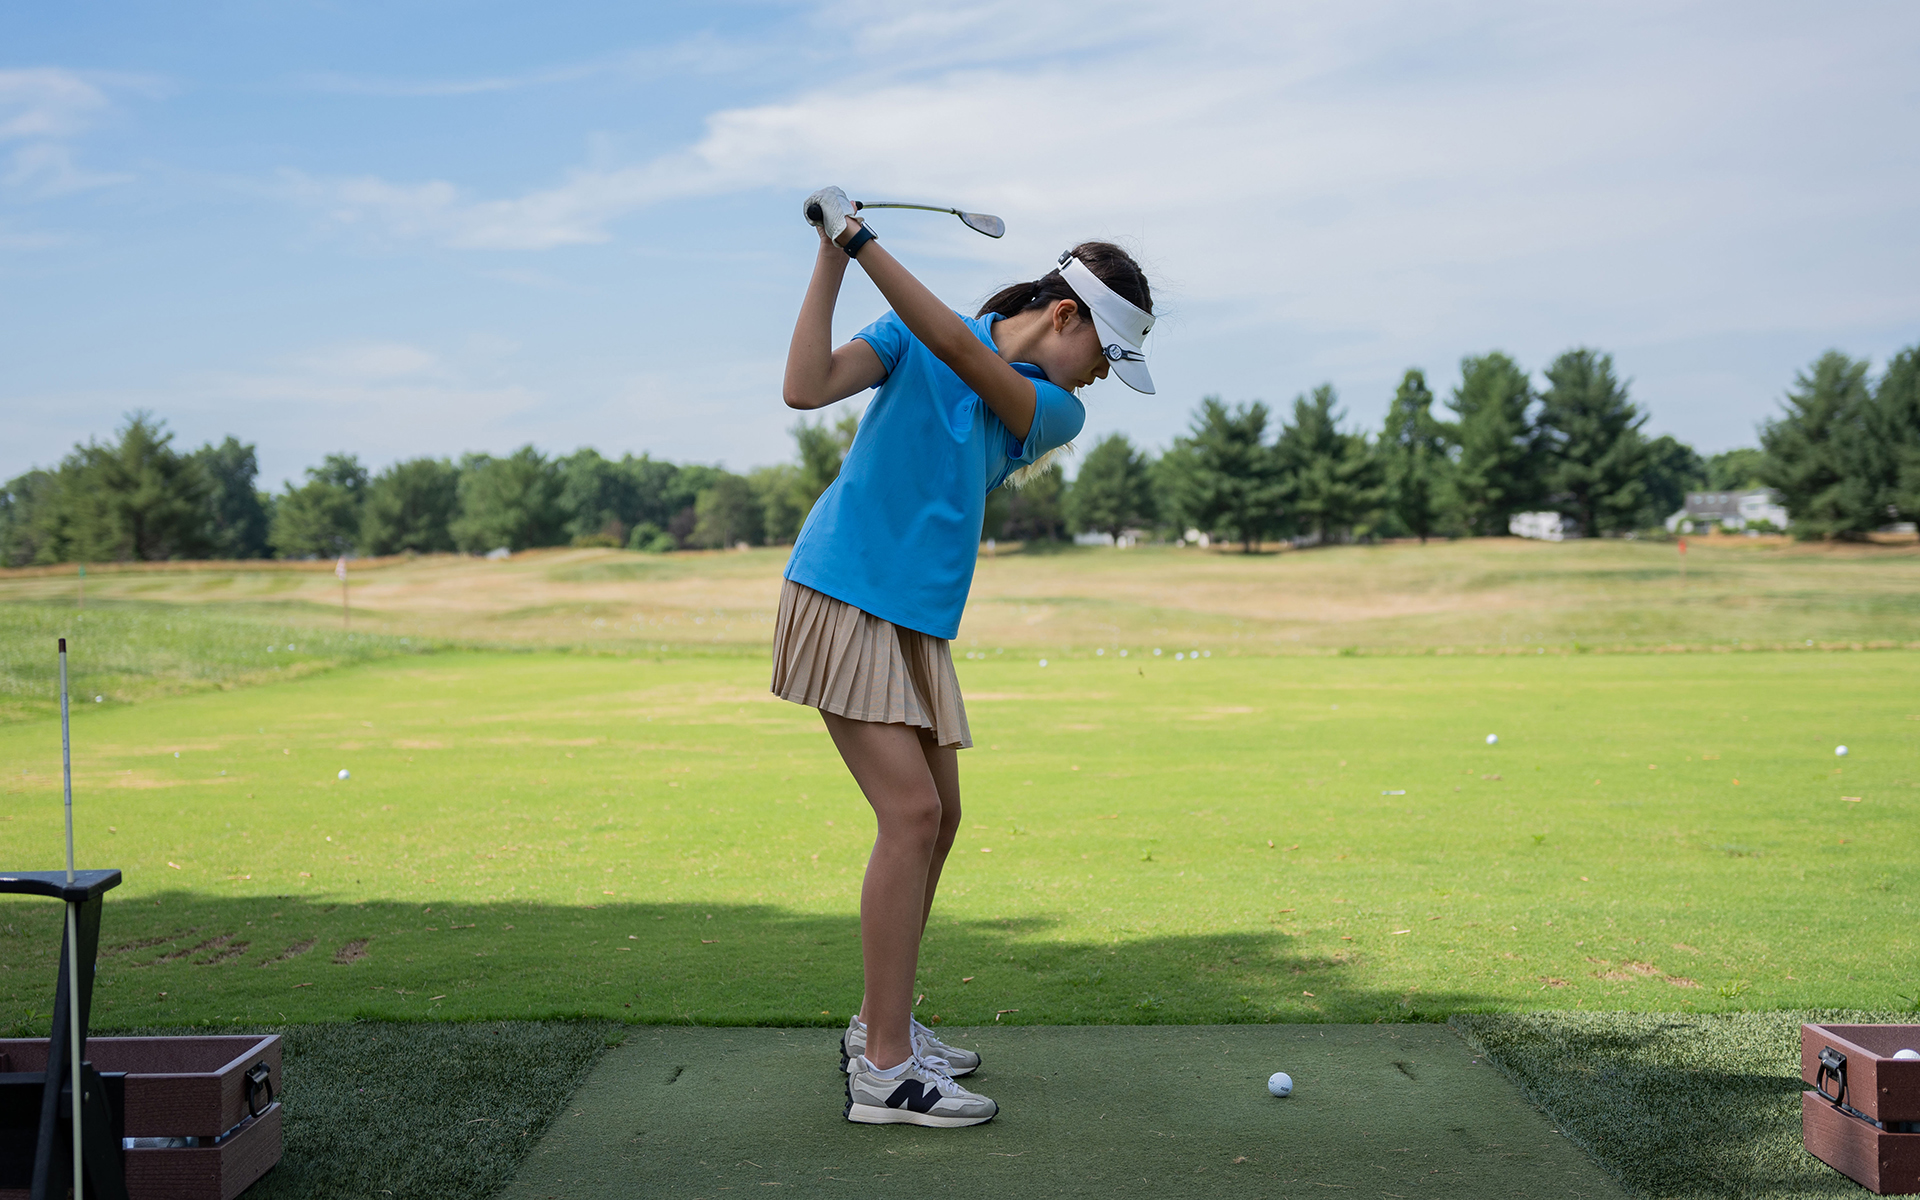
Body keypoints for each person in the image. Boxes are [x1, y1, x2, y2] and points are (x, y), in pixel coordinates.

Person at [774, 186, 1157, 1126]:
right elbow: (805, 387)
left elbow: (958, 346)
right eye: (1105, 356)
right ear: (1065, 317)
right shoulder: (909, 335)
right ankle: (885, 1070)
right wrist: (831, 254)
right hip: (844, 589)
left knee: (938, 818)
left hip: (915, 619)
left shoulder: (1052, 410)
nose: (1101, 378)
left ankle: (883, 1023)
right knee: (910, 814)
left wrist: (860, 238)